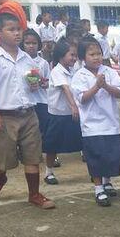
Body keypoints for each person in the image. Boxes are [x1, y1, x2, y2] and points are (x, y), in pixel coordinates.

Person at [0, 13, 55, 210]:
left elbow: (31, 84)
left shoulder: (28, 59)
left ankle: (34, 194)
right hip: (4, 116)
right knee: (1, 156)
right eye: (11, 29)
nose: (17, 33)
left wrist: (36, 84)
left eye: (18, 29)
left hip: (28, 113)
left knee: (32, 155)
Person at [71, 37, 120, 207]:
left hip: (111, 123)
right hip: (92, 125)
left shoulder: (109, 71)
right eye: (92, 54)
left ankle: (107, 182)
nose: (96, 57)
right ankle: (98, 188)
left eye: (98, 53)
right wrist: (96, 86)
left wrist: (106, 86)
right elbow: (82, 98)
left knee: (112, 156)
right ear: (83, 57)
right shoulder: (79, 76)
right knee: (95, 158)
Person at [43, 39, 83, 185]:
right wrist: (73, 106)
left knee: (84, 142)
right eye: (71, 55)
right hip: (58, 114)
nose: (74, 58)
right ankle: (48, 172)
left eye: (75, 55)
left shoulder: (74, 70)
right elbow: (65, 88)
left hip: (73, 113)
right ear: (61, 55)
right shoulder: (57, 71)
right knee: (52, 145)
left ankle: (95, 172)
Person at [20, 29, 51, 147]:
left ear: (39, 45)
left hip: (41, 100)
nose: (31, 46)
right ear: (23, 44)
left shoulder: (43, 63)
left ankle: (42, 150)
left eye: (34, 43)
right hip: (25, 100)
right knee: (26, 129)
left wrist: (43, 83)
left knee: (42, 127)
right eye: (27, 43)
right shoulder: (19, 62)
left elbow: (48, 81)